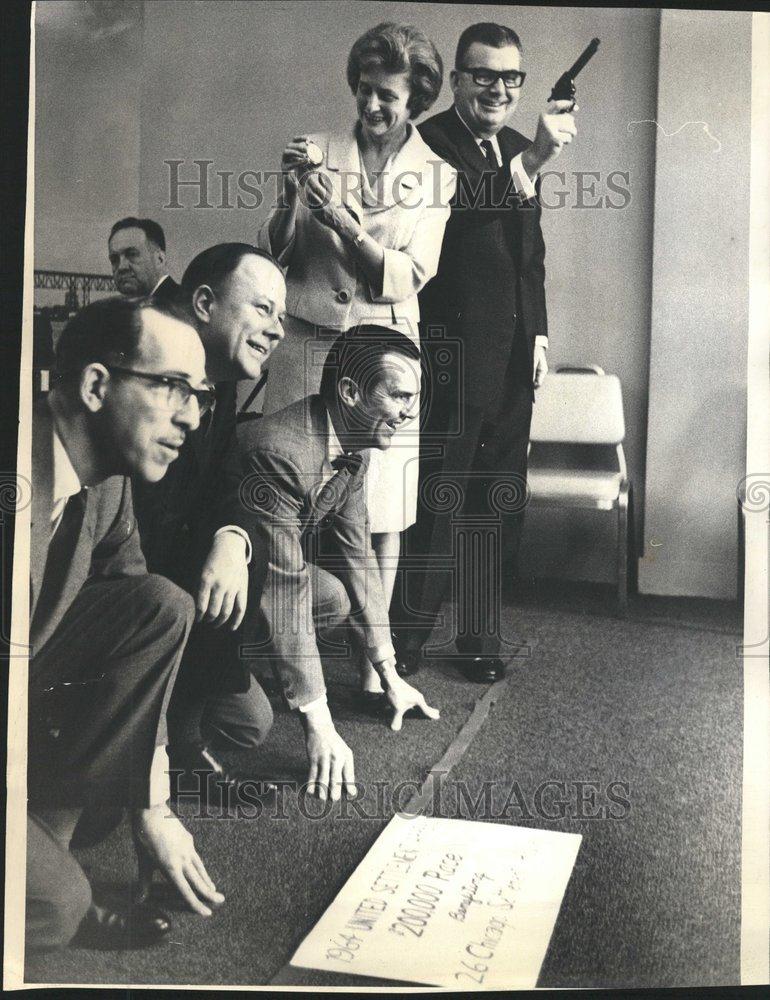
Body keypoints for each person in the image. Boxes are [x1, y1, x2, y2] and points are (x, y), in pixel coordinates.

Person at [258, 21, 455, 688]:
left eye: (390, 98)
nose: (373, 106)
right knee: (291, 497)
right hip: (308, 341)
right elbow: (276, 255)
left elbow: (400, 277)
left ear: (416, 101)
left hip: (384, 357)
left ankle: (379, 663)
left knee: (382, 507)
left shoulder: (437, 175)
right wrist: (289, 200)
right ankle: (285, 655)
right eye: (367, 91)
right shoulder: (315, 148)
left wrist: (340, 219)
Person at [26, 296, 224, 952]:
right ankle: (51, 881)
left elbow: (143, 620)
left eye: (199, 395)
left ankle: (47, 849)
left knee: (161, 604)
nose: (192, 416)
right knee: (57, 908)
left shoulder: (105, 481)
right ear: (94, 385)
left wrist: (153, 806)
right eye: (173, 388)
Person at [397, 22, 578, 683]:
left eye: (511, 78)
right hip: (450, 355)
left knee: (493, 505)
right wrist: (530, 164)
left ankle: (477, 641)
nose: (498, 90)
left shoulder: (516, 146)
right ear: (456, 80)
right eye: (484, 76)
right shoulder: (426, 143)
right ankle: (404, 644)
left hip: (510, 361)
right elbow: (462, 207)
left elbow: (530, 256)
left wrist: (538, 334)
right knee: (436, 502)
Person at [240, 327, 439, 802]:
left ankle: (250, 657)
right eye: (398, 396)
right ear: (350, 392)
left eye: (414, 397)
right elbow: (284, 590)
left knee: (333, 595)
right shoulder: (281, 450)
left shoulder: (354, 445)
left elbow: (360, 556)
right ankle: (216, 663)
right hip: (203, 577)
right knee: (249, 726)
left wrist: (390, 674)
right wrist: (319, 722)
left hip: (255, 575)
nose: (410, 412)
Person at [131, 244, 287, 794]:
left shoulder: (216, 373)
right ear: (203, 302)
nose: (278, 331)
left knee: (251, 726)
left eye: (282, 318)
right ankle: (163, 744)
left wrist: (230, 539)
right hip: (113, 583)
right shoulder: (145, 363)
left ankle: (179, 730)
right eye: (264, 310)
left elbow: (228, 483)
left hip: (167, 572)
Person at [108, 216, 179, 299]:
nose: (121, 267)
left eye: (132, 254)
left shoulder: (186, 305)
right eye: (114, 260)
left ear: (160, 259)